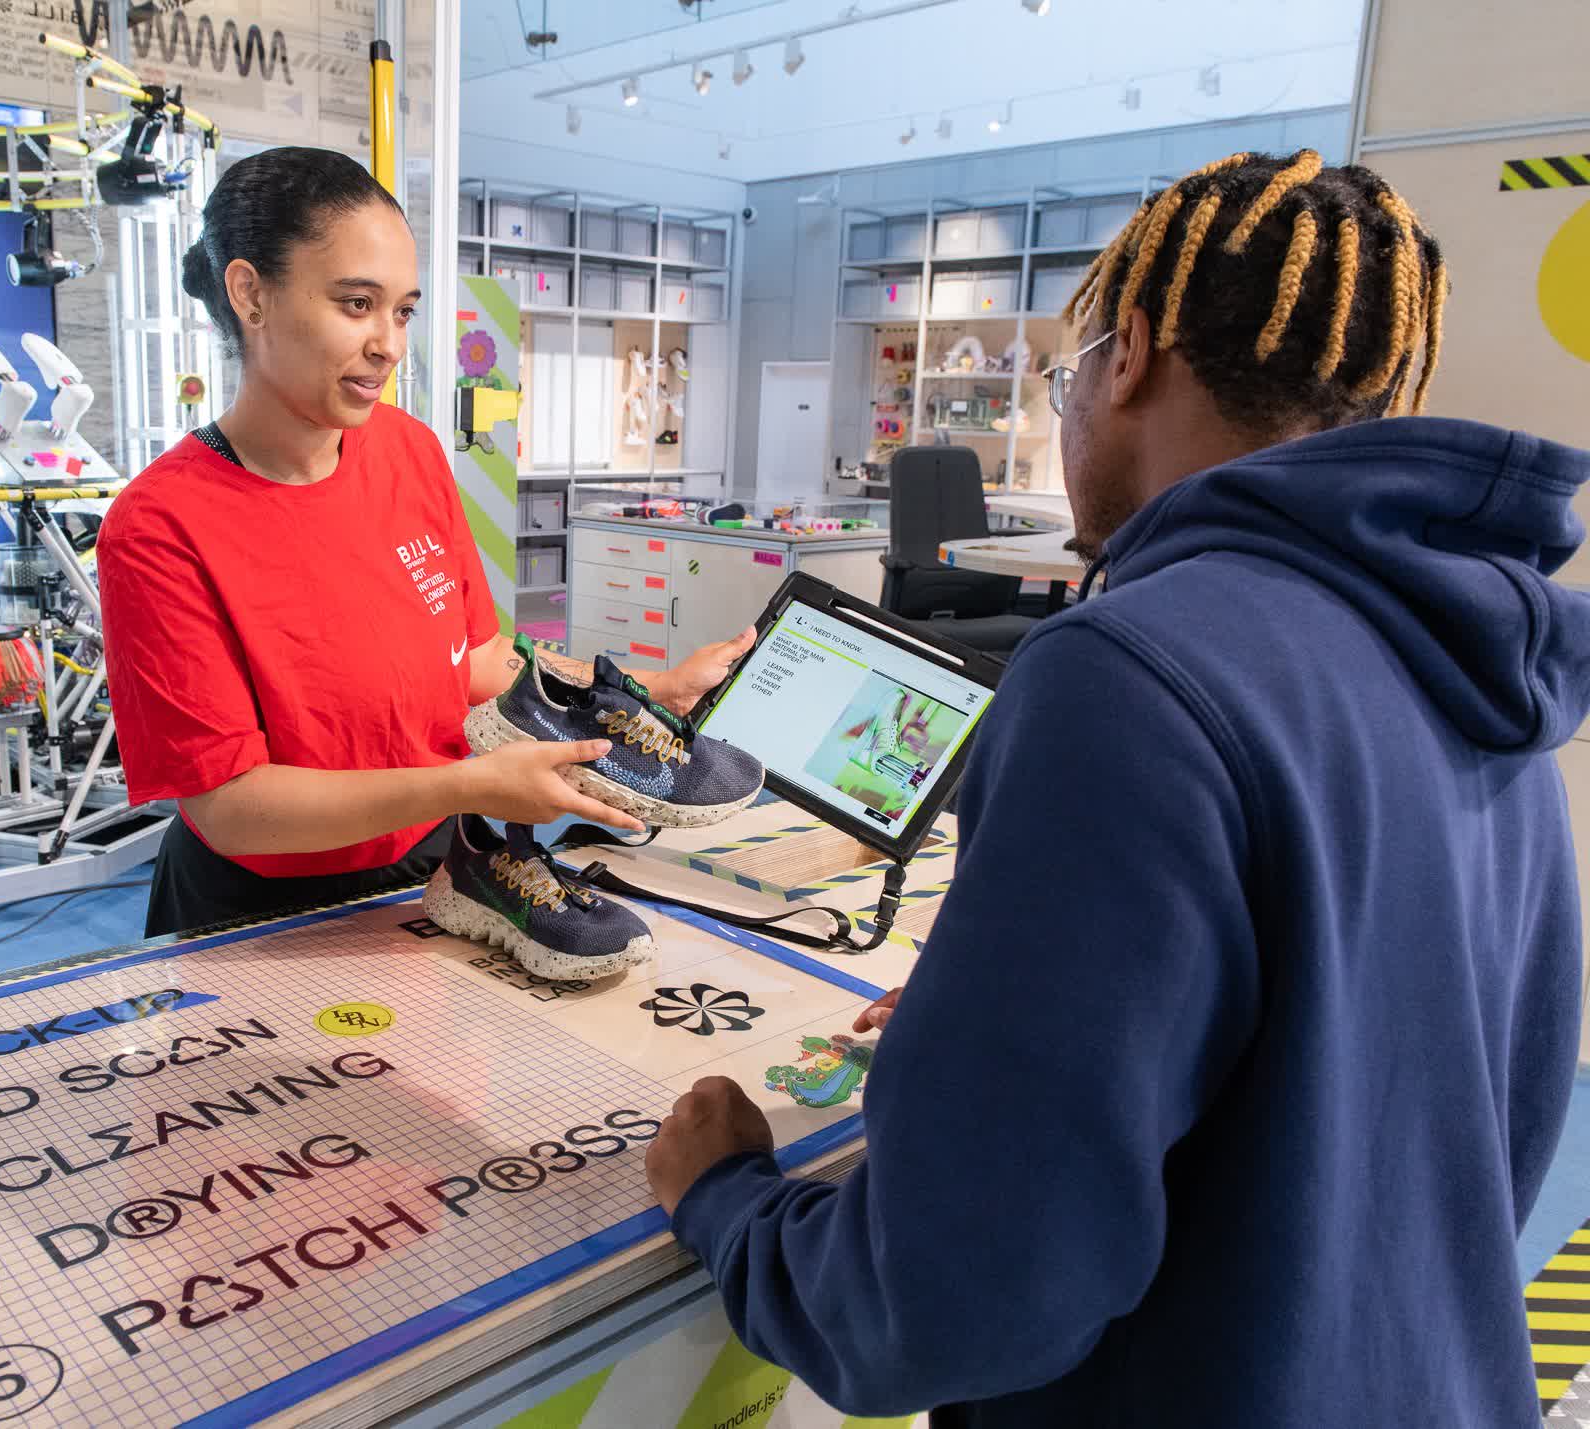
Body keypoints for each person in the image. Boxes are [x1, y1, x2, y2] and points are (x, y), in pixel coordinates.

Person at [644, 150, 1590, 1426]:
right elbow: (1433, 1102)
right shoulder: (1475, 658)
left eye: (1067, 368)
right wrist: (1006, 1023)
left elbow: (942, 1298)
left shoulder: (1129, 670)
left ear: (1128, 351)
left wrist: (727, 1199)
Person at [97, 147, 752, 937]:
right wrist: (463, 783)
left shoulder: (407, 450)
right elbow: (230, 805)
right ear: (250, 294)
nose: (389, 345)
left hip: (438, 871)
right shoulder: (161, 527)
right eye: (356, 304)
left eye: (403, 310)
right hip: (260, 915)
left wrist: (645, 689)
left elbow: (474, 661)